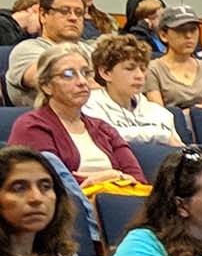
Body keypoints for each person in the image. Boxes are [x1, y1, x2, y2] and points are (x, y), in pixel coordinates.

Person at [7, 44, 145, 187]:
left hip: (116, 202)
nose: (82, 82)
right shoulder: (32, 126)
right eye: (68, 74)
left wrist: (115, 175)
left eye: (85, 73)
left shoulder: (104, 128)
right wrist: (112, 179)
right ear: (46, 85)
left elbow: (138, 180)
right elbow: (52, 183)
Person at [82, 34, 181, 146]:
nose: (139, 76)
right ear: (105, 73)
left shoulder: (161, 113)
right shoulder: (88, 106)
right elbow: (105, 135)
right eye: (130, 68)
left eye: (143, 69)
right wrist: (159, 135)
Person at [6, 0, 89, 100]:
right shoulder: (26, 49)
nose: (73, 18)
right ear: (43, 15)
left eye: (79, 12)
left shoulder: (91, 50)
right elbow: (49, 79)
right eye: (64, 11)